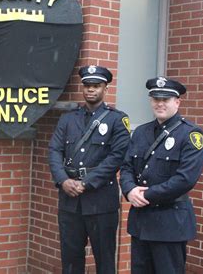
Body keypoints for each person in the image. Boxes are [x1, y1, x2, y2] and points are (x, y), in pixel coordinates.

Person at [120, 77, 203, 274]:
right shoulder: (141, 132)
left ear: (177, 102)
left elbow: (185, 179)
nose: (160, 103)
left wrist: (145, 195)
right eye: (155, 99)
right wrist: (129, 190)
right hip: (141, 222)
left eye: (165, 99)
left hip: (170, 222)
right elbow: (126, 167)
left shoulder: (191, 135)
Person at [49, 65, 131, 274]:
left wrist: (86, 183)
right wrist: (63, 180)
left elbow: (117, 157)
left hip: (100, 201)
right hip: (69, 200)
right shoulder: (68, 118)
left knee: (104, 261)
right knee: (70, 259)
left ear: (105, 89)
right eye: (87, 86)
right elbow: (55, 151)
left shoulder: (117, 120)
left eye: (96, 86)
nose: (90, 90)